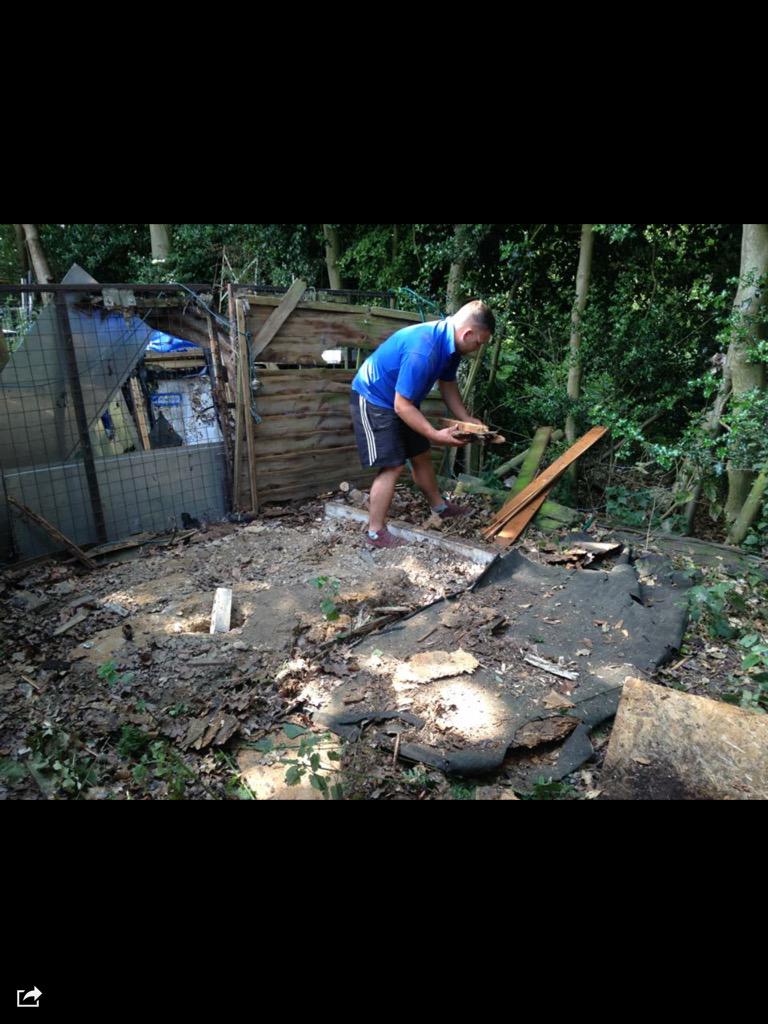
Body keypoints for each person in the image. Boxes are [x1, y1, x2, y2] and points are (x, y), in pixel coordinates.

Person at [349, 299, 495, 548]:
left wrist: (466, 419)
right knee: (392, 465)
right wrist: (435, 434)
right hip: (374, 399)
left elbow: (447, 384)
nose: (477, 348)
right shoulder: (424, 349)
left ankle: (440, 506)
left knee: (421, 454)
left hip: (402, 401)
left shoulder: (451, 348)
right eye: (479, 342)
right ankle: (375, 533)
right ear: (468, 333)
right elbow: (401, 406)